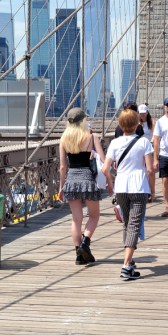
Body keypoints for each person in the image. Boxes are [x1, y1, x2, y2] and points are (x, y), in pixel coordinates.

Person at [102, 108, 155, 280]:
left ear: (120, 124)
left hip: (121, 187)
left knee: (127, 224)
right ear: (138, 123)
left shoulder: (115, 143)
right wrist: (152, 190)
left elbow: (105, 168)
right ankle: (125, 266)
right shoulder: (144, 142)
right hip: (138, 187)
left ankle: (130, 263)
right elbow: (149, 170)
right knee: (134, 225)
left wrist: (111, 183)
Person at [57, 107, 106, 265]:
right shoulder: (92, 137)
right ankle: (85, 243)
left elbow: (63, 167)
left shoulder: (64, 139)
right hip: (88, 180)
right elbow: (104, 162)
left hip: (71, 180)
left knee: (76, 219)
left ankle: (78, 255)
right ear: (83, 120)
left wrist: (60, 188)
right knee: (94, 216)